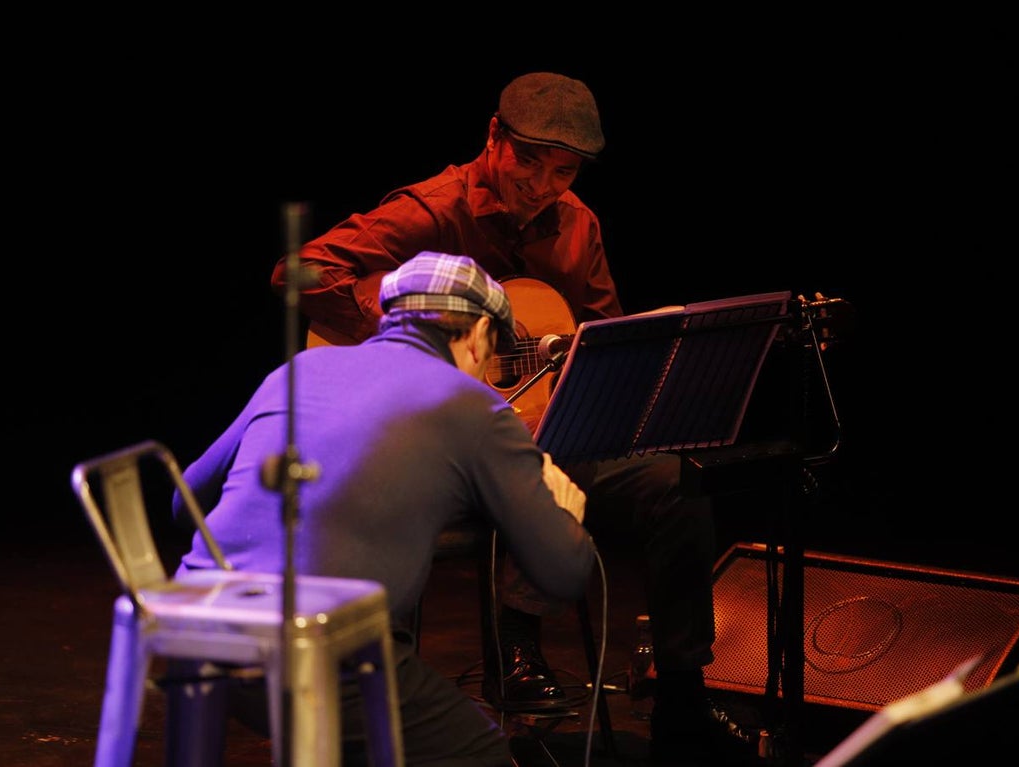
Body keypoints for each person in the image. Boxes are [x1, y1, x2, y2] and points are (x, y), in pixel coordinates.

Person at [271, 72, 753, 765]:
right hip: (425, 443)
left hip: (530, 435)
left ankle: (680, 692)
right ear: (494, 137)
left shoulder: (577, 225)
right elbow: (303, 270)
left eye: (563, 170)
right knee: (466, 473)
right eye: (530, 160)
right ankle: (412, 690)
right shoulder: (431, 210)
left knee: (673, 482)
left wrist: (593, 374)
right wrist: (400, 328)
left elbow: (602, 335)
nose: (543, 184)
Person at [176, 252, 595, 766]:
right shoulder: (475, 406)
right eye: (493, 351)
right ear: (479, 332)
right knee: (485, 757)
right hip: (317, 654)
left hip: (189, 628)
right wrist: (565, 513)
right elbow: (564, 573)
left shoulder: (300, 369)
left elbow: (185, 500)